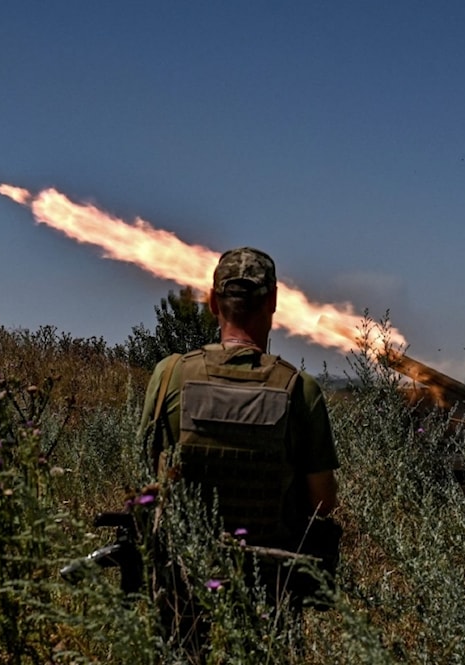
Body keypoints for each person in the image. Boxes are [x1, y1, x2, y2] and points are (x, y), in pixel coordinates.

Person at [139, 247, 340, 659]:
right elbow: (323, 503)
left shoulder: (170, 375)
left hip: (185, 575)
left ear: (212, 302)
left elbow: (152, 464)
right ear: (274, 302)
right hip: (268, 580)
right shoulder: (299, 390)